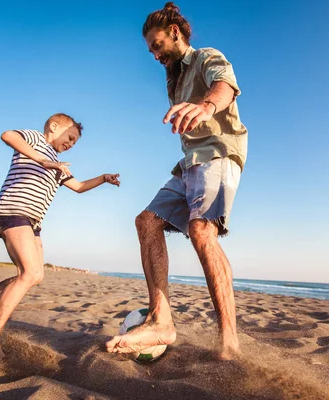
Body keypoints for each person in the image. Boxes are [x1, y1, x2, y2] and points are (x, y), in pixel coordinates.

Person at [106, 2, 248, 360]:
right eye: (150, 49)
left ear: (175, 33)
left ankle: (229, 340)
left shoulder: (206, 57)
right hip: (189, 165)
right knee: (146, 222)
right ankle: (161, 320)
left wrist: (205, 107)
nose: (154, 54)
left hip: (218, 154)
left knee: (202, 232)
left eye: (157, 46)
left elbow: (224, 86)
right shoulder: (173, 80)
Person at [0, 113, 120, 353]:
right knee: (28, 273)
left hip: (33, 221)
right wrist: (42, 160)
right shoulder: (35, 140)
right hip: (13, 210)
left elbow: (79, 187)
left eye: (75, 142)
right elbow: (8, 135)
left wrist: (103, 178)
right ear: (54, 127)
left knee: (35, 275)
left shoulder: (59, 164)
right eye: (70, 137)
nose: (71, 144)